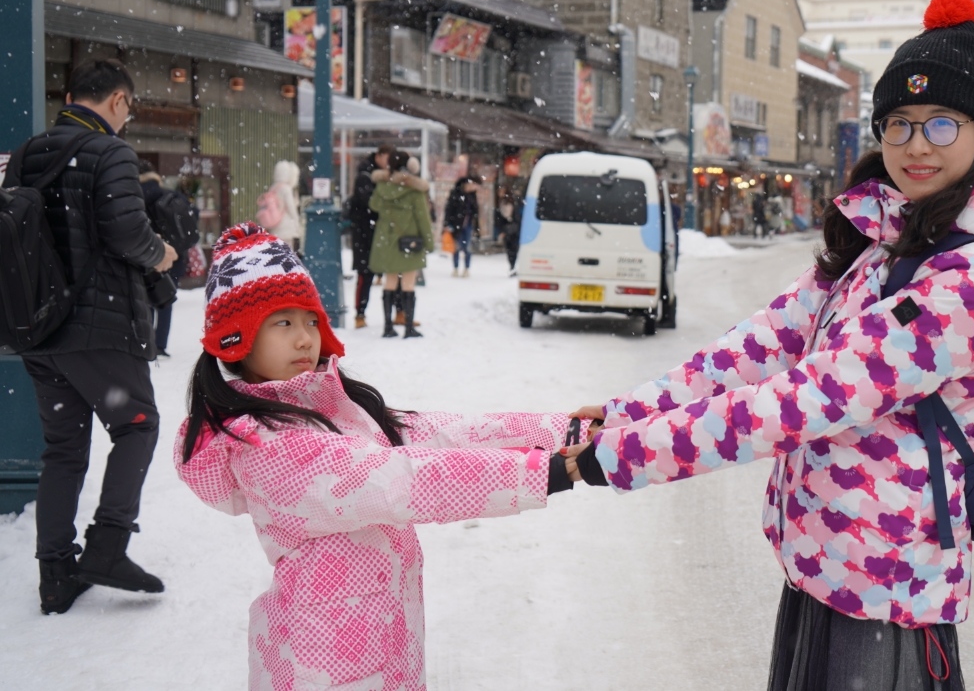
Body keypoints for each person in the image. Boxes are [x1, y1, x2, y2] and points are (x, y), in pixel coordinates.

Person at [562, 0, 974, 691]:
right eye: (897, 124)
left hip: (888, 586)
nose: (915, 144)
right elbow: (760, 344)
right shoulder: (891, 239)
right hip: (827, 564)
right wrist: (627, 415)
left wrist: (619, 458)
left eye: (941, 125)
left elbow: (806, 401)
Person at [174, 223, 578, 691]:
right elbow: (404, 479)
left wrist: (561, 431)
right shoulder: (267, 446)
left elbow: (439, 434)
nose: (305, 339)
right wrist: (549, 471)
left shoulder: (331, 410)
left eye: (310, 320)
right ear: (235, 340)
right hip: (322, 666)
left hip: (381, 650)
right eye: (282, 323)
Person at [4, 59, 177, 614]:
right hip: (99, 325)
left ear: (73, 95)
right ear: (119, 102)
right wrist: (162, 253)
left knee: (63, 449)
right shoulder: (112, 152)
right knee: (138, 425)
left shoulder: (28, 153)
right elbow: (126, 231)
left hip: (37, 327)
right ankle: (107, 546)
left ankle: (55, 575)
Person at [369, 151, 433, 338]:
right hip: (409, 242)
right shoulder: (414, 190)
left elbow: (374, 205)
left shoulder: (382, 186)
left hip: (387, 241)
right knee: (408, 284)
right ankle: (408, 327)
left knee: (389, 283)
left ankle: (388, 327)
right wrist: (429, 243)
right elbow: (423, 219)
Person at [138, 159, 196, 356]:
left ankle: (146, 343)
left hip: (149, 253)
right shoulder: (169, 193)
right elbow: (193, 213)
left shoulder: (137, 194)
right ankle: (161, 344)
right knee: (166, 298)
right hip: (176, 255)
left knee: (146, 300)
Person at [343, 144, 392, 328]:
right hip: (365, 232)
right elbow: (369, 203)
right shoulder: (366, 176)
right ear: (379, 156)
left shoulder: (376, 175)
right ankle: (360, 314)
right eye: (386, 158)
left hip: (372, 231)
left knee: (371, 275)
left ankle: (364, 313)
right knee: (365, 274)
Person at [443, 176, 481, 277]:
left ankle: (466, 269)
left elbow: (475, 213)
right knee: (456, 247)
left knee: (467, 248)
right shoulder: (455, 194)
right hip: (456, 225)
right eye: (470, 185)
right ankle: (455, 268)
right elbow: (449, 209)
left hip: (468, 225)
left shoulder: (472, 196)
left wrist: (477, 228)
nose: (472, 187)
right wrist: (447, 224)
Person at [262, 160, 302, 250]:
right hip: (286, 226)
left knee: (276, 251)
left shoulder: (273, 187)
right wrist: (297, 221)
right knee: (286, 251)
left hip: (275, 225)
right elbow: (291, 208)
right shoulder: (286, 189)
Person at [496, 193, 523, 275]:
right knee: (509, 249)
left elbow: (518, 217)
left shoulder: (515, 202)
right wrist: (501, 230)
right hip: (507, 229)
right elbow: (498, 219)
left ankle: (513, 265)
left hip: (514, 229)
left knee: (513, 248)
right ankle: (512, 265)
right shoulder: (500, 204)